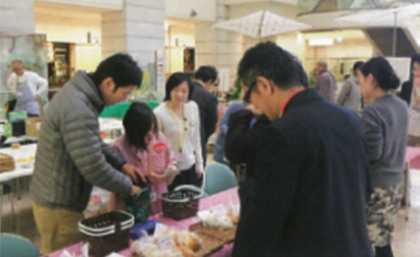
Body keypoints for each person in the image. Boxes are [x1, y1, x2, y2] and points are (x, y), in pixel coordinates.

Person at [232, 42, 373, 257]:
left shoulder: (282, 133)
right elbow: (365, 189)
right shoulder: (348, 118)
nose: (255, 107)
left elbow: (261, 224)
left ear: (263, 86)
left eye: (249, 97)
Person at [29, 53, 144, 254]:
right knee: (64, 252)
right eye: (125, 93)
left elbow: (92, 143)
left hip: (57, 197)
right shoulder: (78, 107)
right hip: (58, 205)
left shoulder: (79, 97)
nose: (123, 100)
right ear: (109, 83)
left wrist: (121, 164)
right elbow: (94, 167)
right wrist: (128, 187)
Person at [358, 57, 409, 257]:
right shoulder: (401, 105)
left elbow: (373, 153)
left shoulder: (372, 111)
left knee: (370, 242)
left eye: (361, 80)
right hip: (396, 183)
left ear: (371, 79)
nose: (360, 86)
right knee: (383, 241)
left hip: (377, 186)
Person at [109, 102, 178, 214]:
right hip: (131, 208)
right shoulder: (118, 148)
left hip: (158, 202)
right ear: (134, 134)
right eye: (145, 134)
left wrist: (168, 172)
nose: (151, 136)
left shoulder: (159, 137)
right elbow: (112, 181)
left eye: (153, 129)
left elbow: (171, 161)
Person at [154, 72, 204, 190]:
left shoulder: (193, 108)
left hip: (190, 166)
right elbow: (157, 146)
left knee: (192, 204)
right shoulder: (159, 113)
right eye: (176, 90)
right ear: (169, 90)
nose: (180, 94)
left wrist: (199, 164)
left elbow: (196, 138)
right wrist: (164, 169)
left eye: (184, 91)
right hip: (171, 171)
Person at [190, 66, 218, 165]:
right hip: (199, 138)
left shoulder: (181, 91)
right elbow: (212, 123)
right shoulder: (209, 97)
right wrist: (203, 136)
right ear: (210, 81)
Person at [400, 54, 420, 146]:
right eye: (415, 69)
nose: (417, 73)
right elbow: (402, 106)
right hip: (409, 129)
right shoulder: (407, 86)